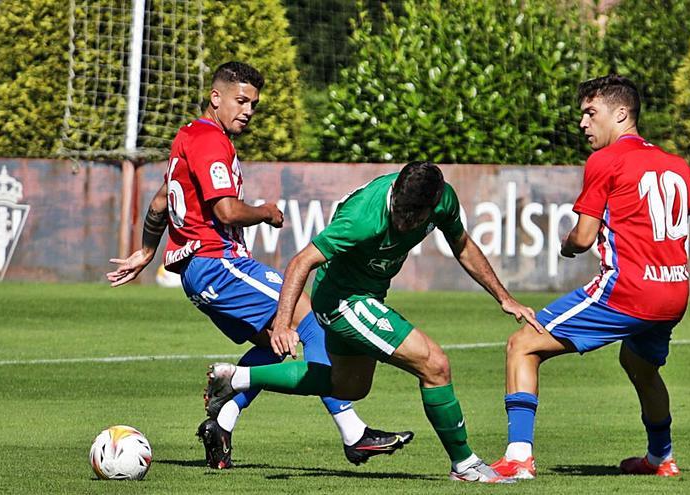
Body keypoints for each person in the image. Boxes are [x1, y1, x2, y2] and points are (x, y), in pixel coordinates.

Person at [106, 61, 412, 470]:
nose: (248, 110)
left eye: (253, 103)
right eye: (241, 100)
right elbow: (228, 211)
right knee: (312, 319)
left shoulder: (188, 138)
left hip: (202, 272)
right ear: (216, 97)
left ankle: (222, 422)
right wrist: (265, 211)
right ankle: (354, 434)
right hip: (217, 264)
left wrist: (146, 250)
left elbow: (161, 201)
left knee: (273, 342)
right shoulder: (211, 142)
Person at [489, 75, 690, 479]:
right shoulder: (674, 165)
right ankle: (661, 458)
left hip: (627, 291)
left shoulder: (605, 161)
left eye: (590, 113)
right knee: (640, 364)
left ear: (621, 113)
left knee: (523, 344)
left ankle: (518, 458)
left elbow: (584, 236)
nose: (583, 122)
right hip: (672, 295)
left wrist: (567, 244)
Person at [204, 160, 545, 483]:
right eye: (399, 211)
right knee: (435, 364)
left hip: (368, 295)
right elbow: (300, 262)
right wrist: (282, 324)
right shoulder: (362, 217)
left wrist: (503, 296)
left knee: (348, 387)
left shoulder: (443, 200)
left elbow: (464, 246)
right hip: (344, 299)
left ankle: (238, 378)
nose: (403, 221)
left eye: (413, 217)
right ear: (395, 189)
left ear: (432, 205)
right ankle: (465, 464)